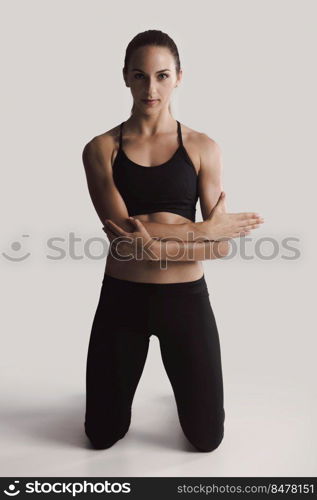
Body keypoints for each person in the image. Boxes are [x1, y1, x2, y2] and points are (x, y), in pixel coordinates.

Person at [82, 30, 264, 452]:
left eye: (162, 76)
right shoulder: (100, 149)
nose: (151, 88)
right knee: (101, 436)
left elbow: (221, 246)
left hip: (185, 299)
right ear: (125, 78)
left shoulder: (203, 147)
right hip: (122, 299)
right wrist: (199, 231)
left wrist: (156, 242)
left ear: (179, 77)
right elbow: (122, 235)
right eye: (140, 76)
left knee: (206, 440)